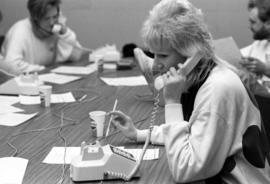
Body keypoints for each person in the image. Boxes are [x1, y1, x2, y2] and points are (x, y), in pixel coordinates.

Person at [109, 0, 270, 183]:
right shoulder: (210, 74)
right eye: (153, 55)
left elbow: (185, 170)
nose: (155, 65)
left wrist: (172, 102)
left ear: (191, 55)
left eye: (162, 55)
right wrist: (138, 133)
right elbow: (195, 131)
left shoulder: (217, 90)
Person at [0, 0, 85, 75]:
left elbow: (76, 54)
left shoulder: (54, 30)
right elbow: (12, 65)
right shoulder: (20, 31)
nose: (52, 22)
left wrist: (65, 33)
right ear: (35, 18)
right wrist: (42, 70)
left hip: (45, 78)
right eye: (46, 18)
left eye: (55, 17)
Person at [241, 0, 270, 78]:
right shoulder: (259, 44)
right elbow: (238, 57)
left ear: (268, 23)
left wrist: (265, 69)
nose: (249, 27)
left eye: (253, 22)